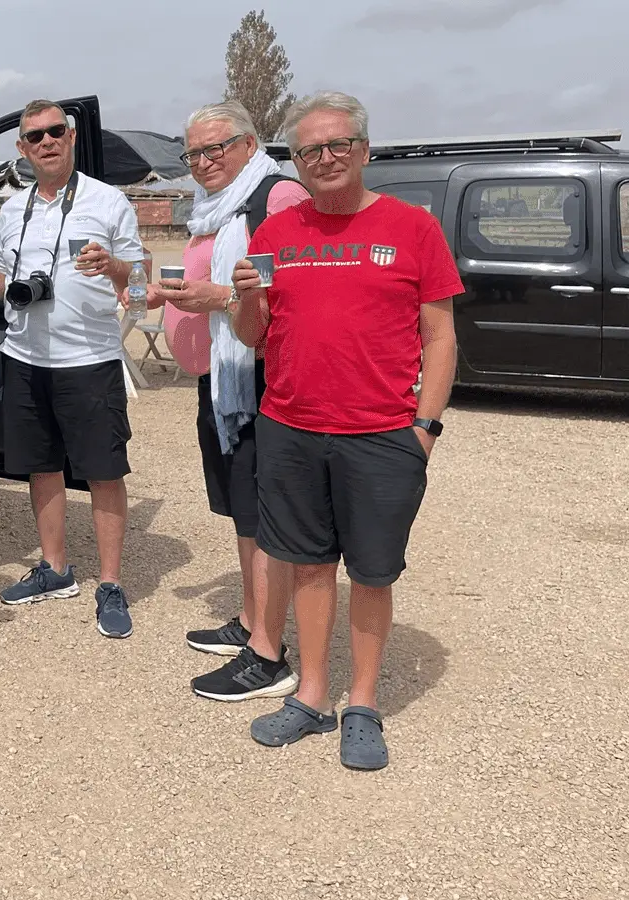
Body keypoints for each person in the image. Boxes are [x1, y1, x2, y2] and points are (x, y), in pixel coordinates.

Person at [228, 91, 460, 770]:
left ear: (363, 149)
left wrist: (425, 428)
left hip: (383, 434)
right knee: (307, 566)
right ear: (295, 162)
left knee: (373, 572)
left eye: (337, 145)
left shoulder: (412, 227)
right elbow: (253, 336)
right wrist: (248, 295)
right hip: (291, 428)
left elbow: (442, 336)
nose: (324, 158)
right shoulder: (275, 234)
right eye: (309, 150)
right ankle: (311, 697)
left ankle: (362, 704)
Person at [0, 99, 146, 638]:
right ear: (22, 149)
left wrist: (112, 266)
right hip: (24, 357)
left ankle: (110, 583)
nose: (45, 142)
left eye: (53, 133)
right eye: (33, 137)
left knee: (103, 472)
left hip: (88, 360)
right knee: (41, 467)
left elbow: (138, 286)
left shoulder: (107, 201)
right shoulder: (12, 209)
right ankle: (56, 568)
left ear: (69, 138)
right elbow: (4, 283)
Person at [153, 101, 309, 703]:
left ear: (249, 144)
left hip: (262, 381)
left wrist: (217, 297)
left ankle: (270, 655)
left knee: (267, 517)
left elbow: (294, 291)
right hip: (222, 381)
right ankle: (251, 621)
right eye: (194, 152)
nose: (204, 160)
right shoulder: (211, 210)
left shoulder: (275, 198)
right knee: (244, 510)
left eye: (217, 147)